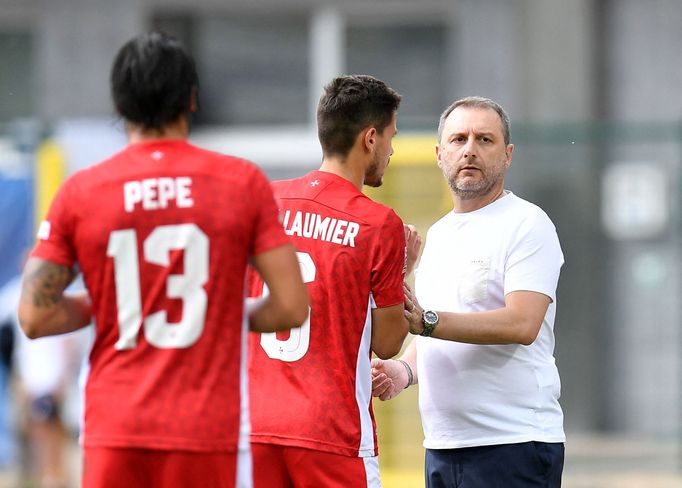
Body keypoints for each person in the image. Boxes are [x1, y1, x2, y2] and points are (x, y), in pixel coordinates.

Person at [17, 31, 308, 488]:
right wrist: (216, 310)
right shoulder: (241, 182)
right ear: (192, 99)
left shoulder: (81, 191)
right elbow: (291, 306)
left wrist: (118, 305)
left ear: (119, 107)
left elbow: (34, 317)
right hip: (208, 427)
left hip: (115, 426)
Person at [372, 96, 565, 487]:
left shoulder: (527, 224)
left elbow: (522, 323)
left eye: (485, 139)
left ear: (508, 154)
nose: (470, 150)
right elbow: (440, 333)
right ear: (440, 154)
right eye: (458, 139)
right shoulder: (440, 233)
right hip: (444, 444)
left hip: (513, 444)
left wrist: (427, 322)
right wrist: (403, 370)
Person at [247, 75, 418, 488]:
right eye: (392, 137)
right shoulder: (378, 223)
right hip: (330, 431)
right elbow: (388, 343)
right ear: (371, 138)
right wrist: (404, 268)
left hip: (253, 426)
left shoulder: (263, 201)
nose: (393, 150)